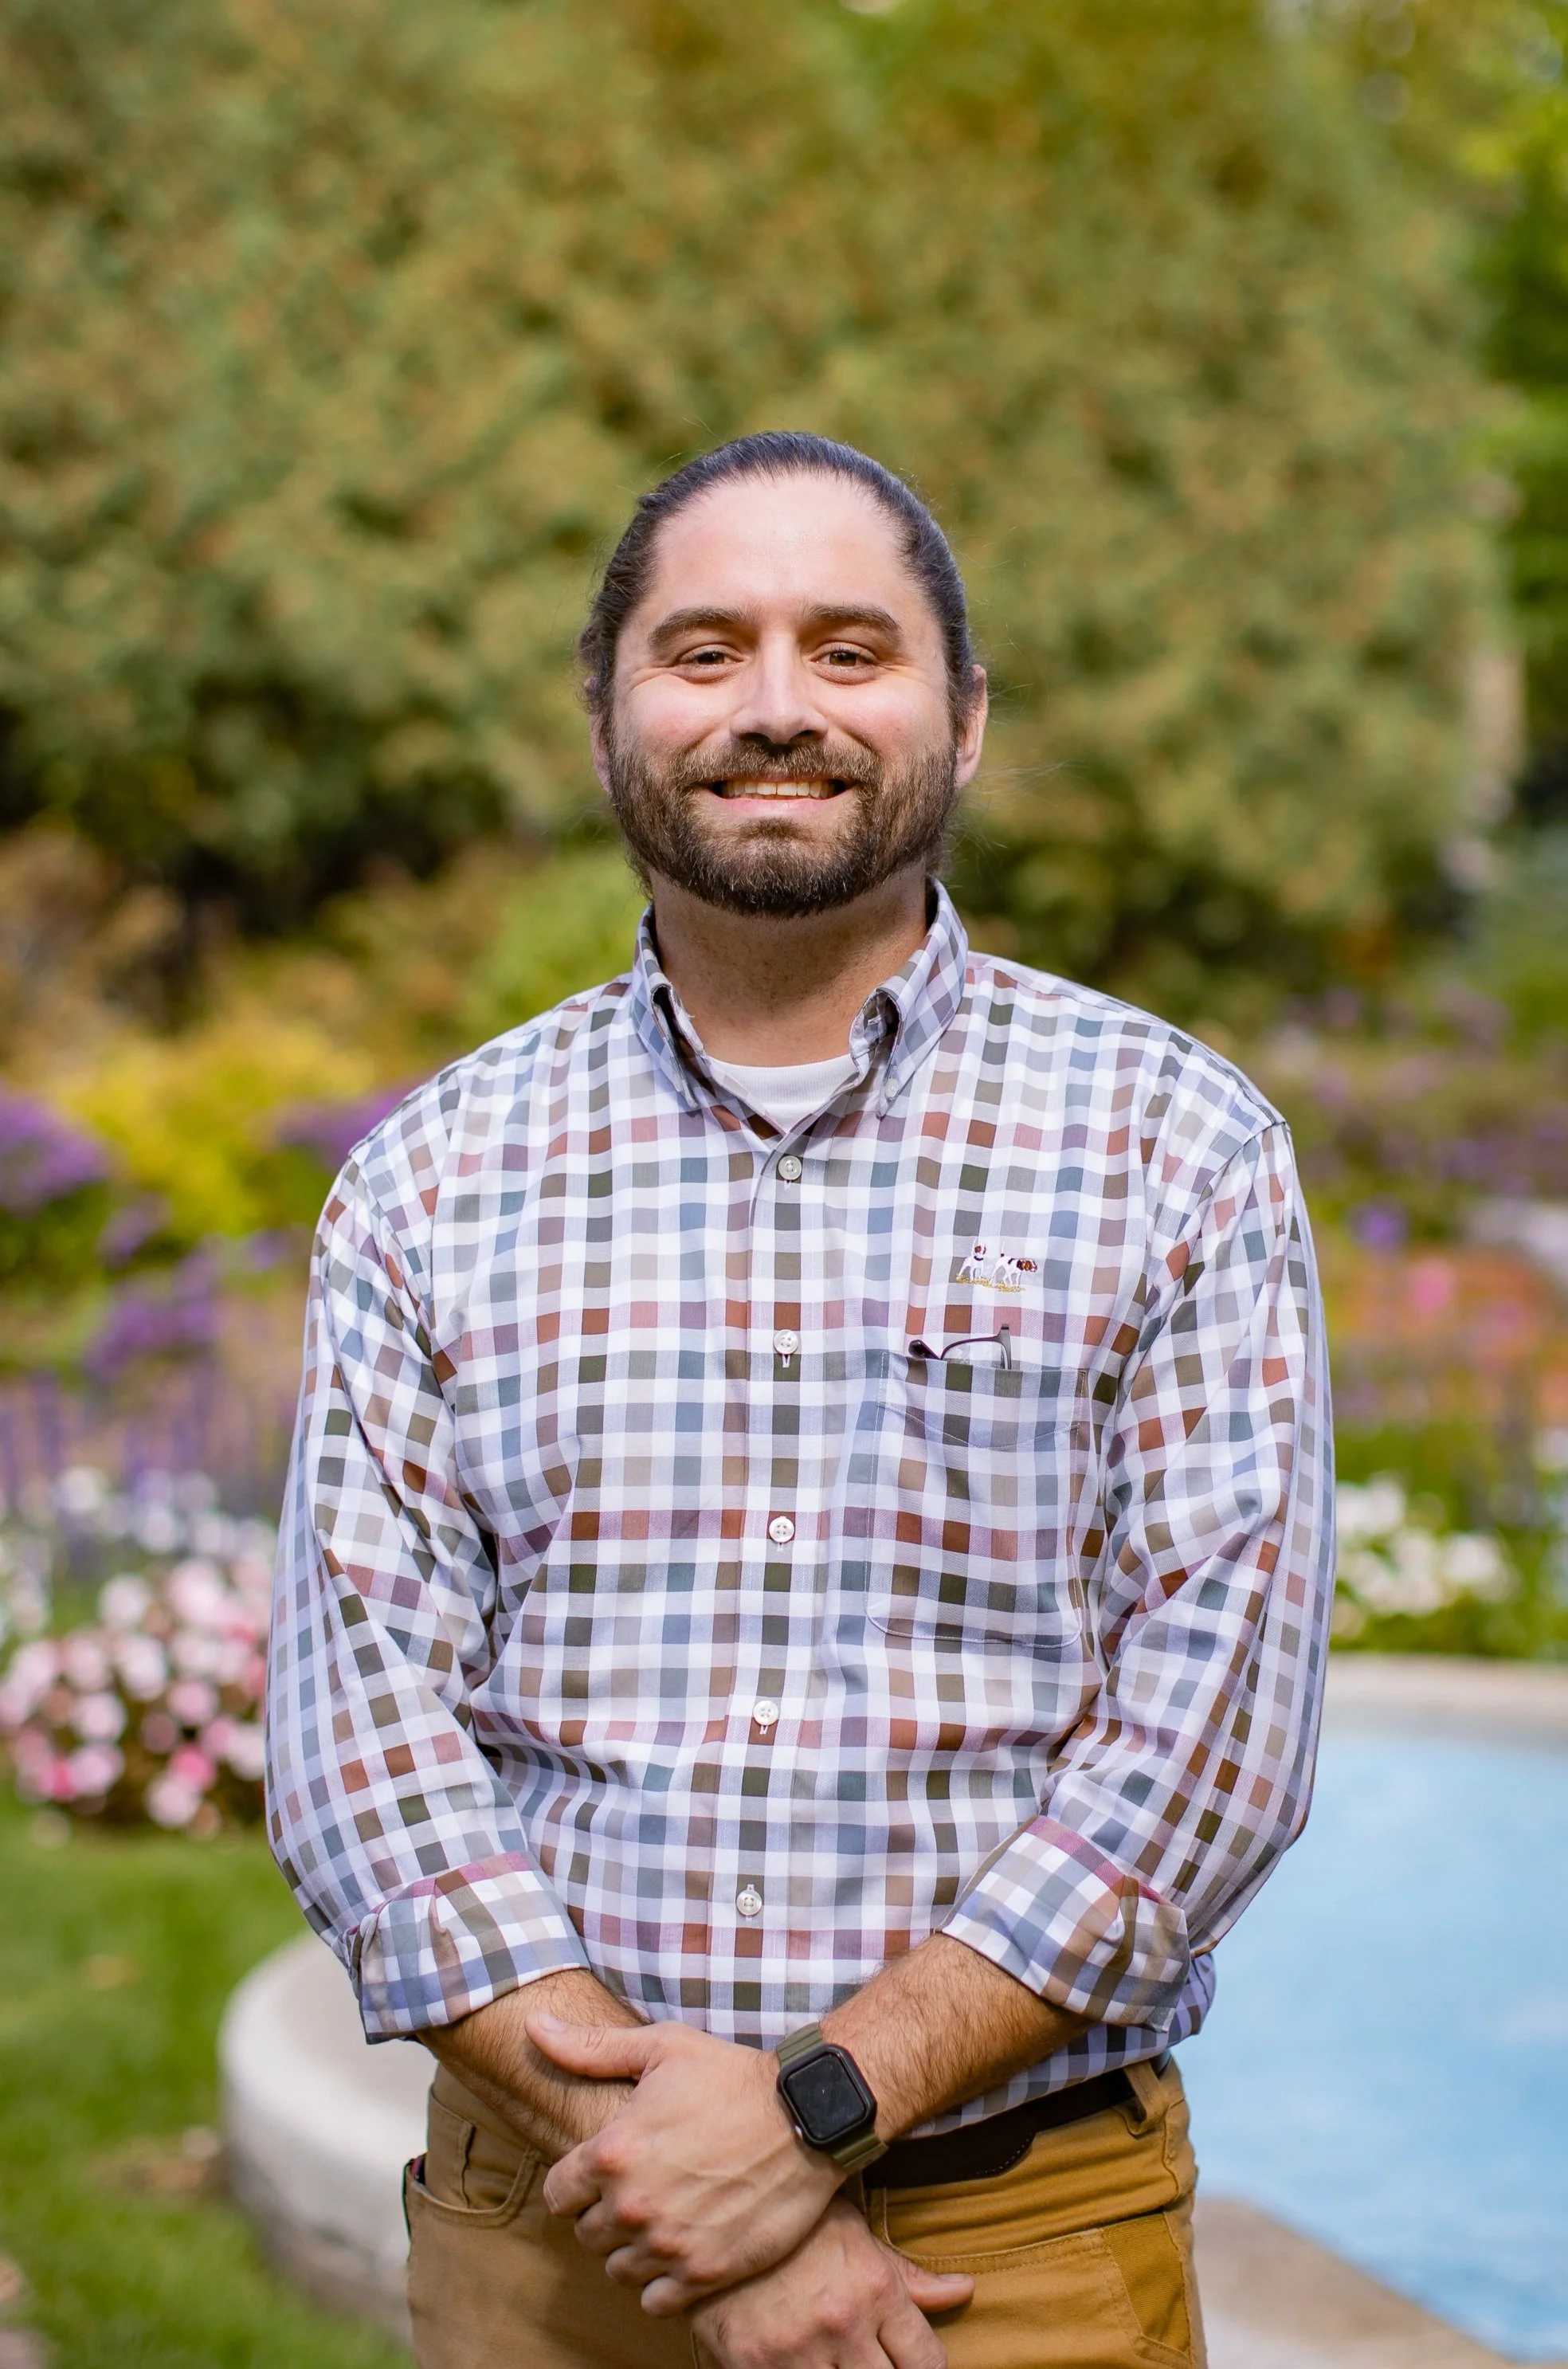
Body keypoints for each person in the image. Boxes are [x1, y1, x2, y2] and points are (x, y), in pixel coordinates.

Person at [267, 431, 1333, 2369]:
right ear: (607, 714)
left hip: (1025, 2240)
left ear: (966, 714)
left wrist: (820, 2108)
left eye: (851, 650)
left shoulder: (1178, 1149)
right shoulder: (431, 1179)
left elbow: (1215, 1742)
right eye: (705, 650)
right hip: (559, 2236)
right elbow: (363, 1755)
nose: (777, 708)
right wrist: (709, 2194)